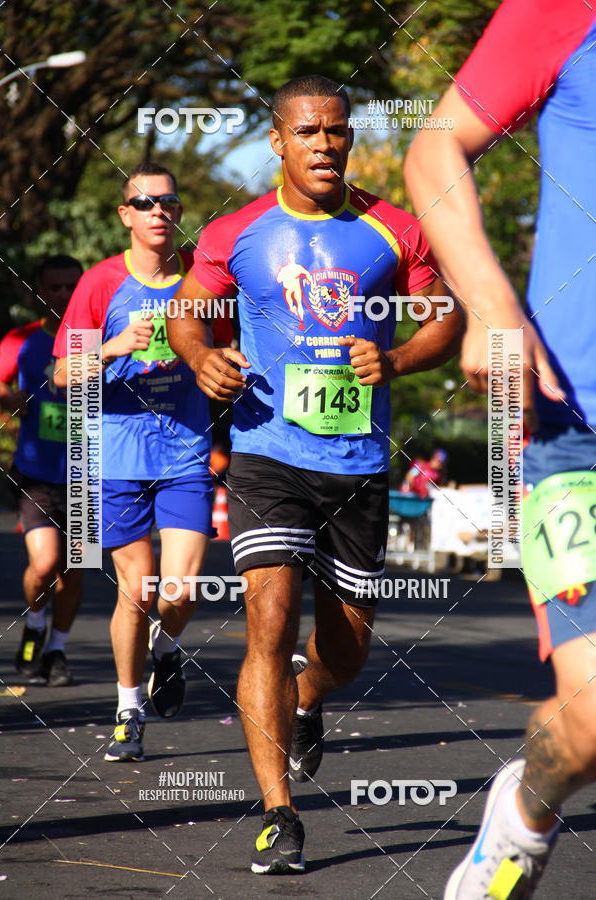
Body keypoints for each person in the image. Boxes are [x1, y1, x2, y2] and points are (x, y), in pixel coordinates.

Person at [167, 74, 464, 875]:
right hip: (268, 452)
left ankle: (308, 693)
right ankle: (278, 815)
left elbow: (448, 317)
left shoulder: (394, 229)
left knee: (348, 645)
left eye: (336, 132)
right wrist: (201, 359)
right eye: (308, 133)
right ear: (278, 141)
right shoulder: (237, 231)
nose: (325, 145)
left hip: (359, 463)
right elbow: (187, 310)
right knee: (267, 620)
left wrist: (396, 356)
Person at [404, 2, 596, 897]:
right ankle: (523, 817)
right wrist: (488, 302)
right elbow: (433, 146)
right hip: (572, 427)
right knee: (592, 722)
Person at [53, 162, 232, 762]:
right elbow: (60, 375)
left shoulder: (200, 284)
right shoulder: (100, 285)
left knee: (179, 591)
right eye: (145, 202)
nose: (159, 211)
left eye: (169, 203)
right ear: (125, 215)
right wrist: (110, 347)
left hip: (184, 449)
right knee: (136, 589)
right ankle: (129, 710)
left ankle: (167, 646)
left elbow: (228, 349)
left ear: (179, 214)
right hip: (116, 456)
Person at [0, 255, 83, 686]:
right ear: (40, 291)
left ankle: (57, 650)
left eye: (73, 287)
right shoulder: (22, 340)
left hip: (88, 474)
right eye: (56, 288)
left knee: (75, 569)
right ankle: (34, 621)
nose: (65, 296)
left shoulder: (98, 340)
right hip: (36, 473)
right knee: (46, 562)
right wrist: (11, 400)